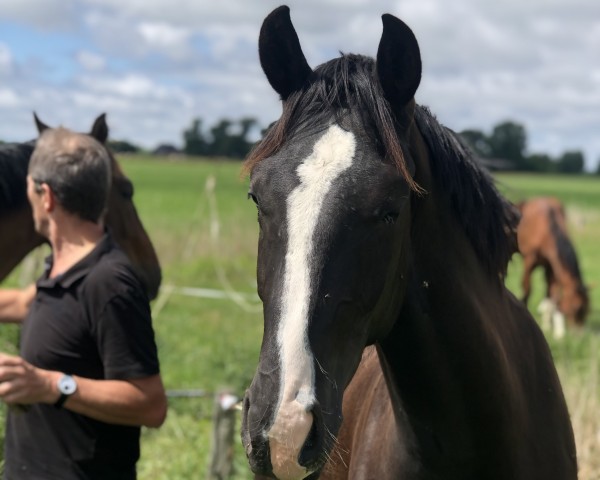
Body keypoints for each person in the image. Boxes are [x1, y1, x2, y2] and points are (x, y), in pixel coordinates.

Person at [0, 127, 167, 479]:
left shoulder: (109, 283)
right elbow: (21, 304)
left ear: (45, 197)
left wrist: (48, 385)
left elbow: (151, 405)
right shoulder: (62, 266)